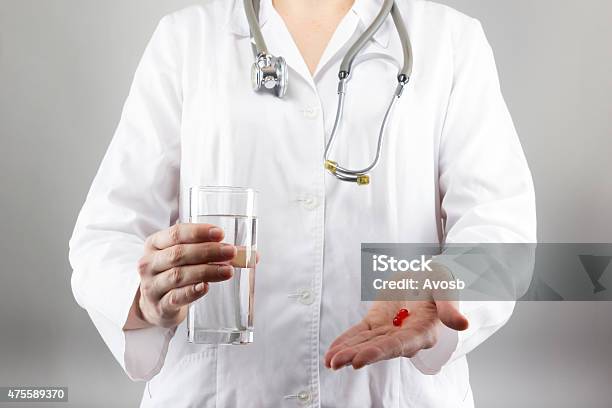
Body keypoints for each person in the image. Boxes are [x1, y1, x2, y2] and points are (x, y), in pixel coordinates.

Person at [69, 0, 536, 406]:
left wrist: (445, 282)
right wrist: (147, 298)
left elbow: (502, 229)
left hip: (391, 392)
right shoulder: (185, 40)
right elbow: (105, 236)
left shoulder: (450, 40)